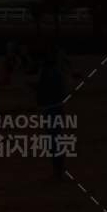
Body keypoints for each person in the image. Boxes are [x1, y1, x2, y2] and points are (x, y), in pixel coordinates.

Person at [35, 48, 69, 180]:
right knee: (57, 141)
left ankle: (57, 172)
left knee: (53, 142)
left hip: (50, 109)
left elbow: (42, 90)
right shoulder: (58, 73)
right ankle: (58, 171)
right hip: (58, 107)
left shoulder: (46, 72)